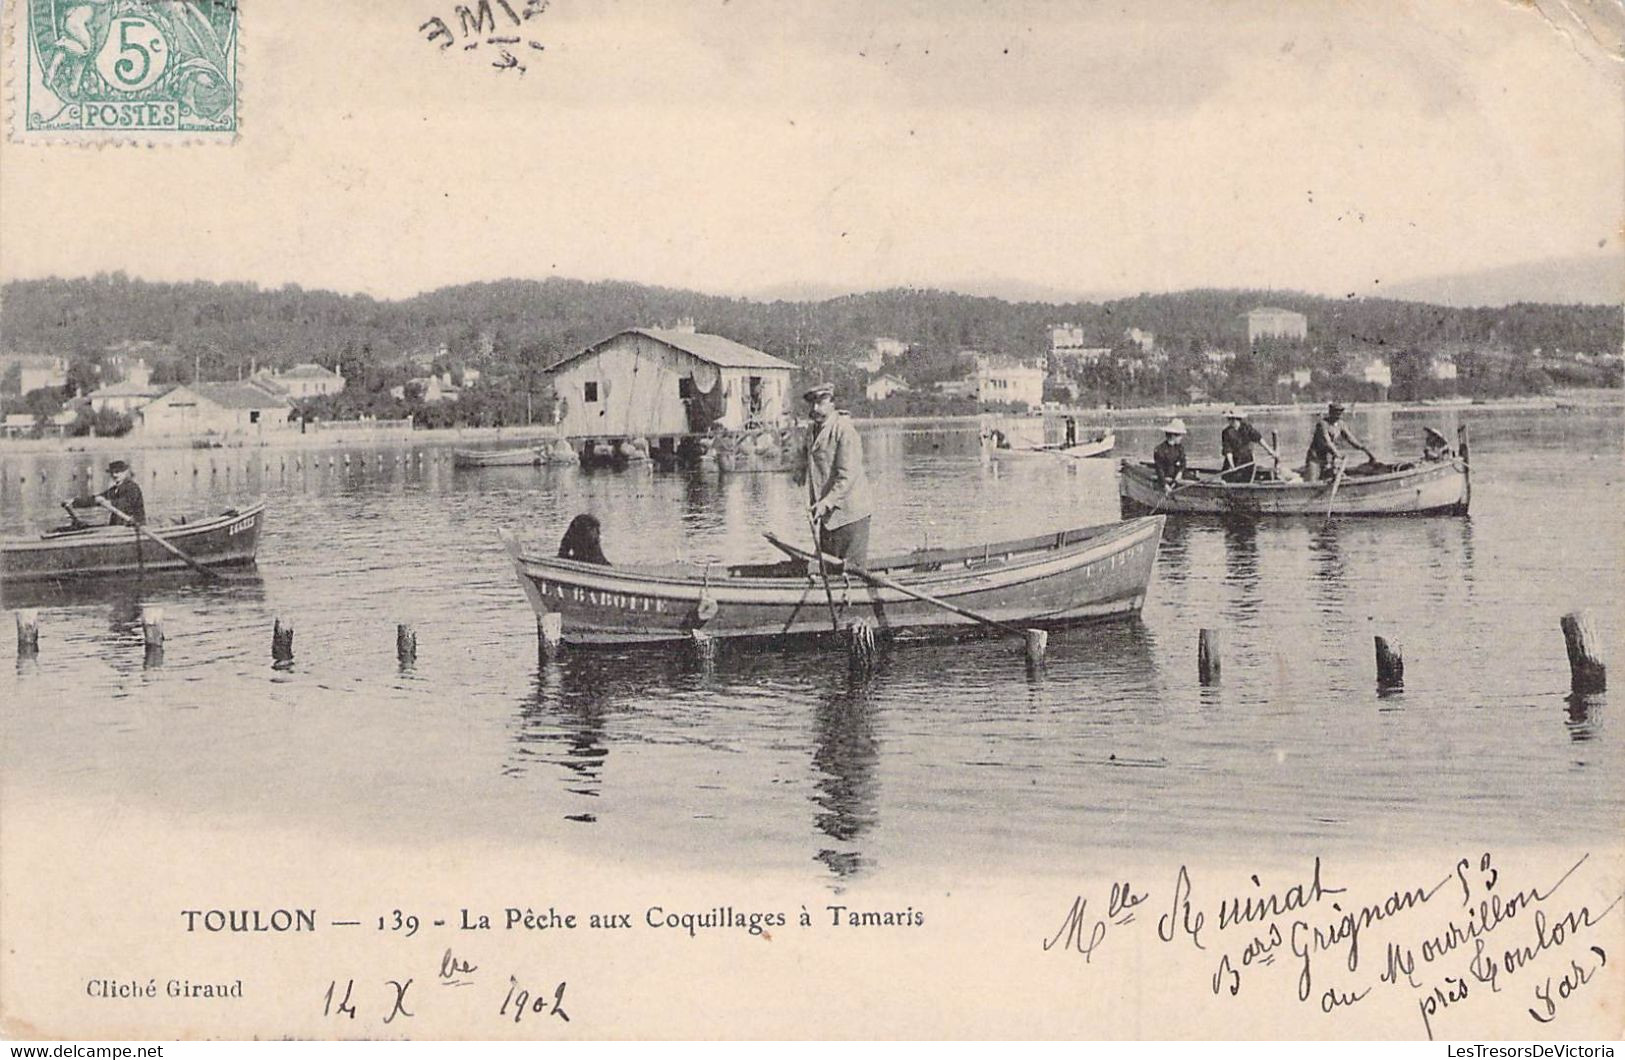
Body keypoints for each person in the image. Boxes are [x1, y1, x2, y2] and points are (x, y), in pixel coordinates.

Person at [796, 382, 872, 569]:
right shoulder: (812, 430)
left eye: (821, 403)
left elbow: (847, 476)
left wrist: (826, 502)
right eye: (812, 404)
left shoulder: (844, 430)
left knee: (851, 571)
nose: (816, 409)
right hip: (826, 517)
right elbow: (806, 458)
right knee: (827, 569)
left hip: (850, 515)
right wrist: (799, 472)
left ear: (832, 404)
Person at [1305, 402, 1373, 481]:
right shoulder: (1323, 424)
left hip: (1329, 459)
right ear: (1330, 413)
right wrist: (1338, 454)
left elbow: (1352, 440)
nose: (1338, 415)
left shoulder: (1341, 424)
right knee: (1312, 481)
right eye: (1336, 413)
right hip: (1315, 459)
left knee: (1334, 477)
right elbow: (1328, 442)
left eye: (1340, 412)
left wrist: (1365, 450)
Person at [68, 460, 145, 526]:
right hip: (117, 525)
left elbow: (126, 503)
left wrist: (108, 502)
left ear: (125, 472)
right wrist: (75, 502)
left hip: (133, 525)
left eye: (117, 472)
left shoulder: (133, 487)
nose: (114, 475)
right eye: (112, 472)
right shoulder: (114, 489)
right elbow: (96, 499)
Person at [1220, 408, 1279, 482]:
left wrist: (1271, 451)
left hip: (1247, 460)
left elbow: (1259, 439)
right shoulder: (1226, 432)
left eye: (1232, 419)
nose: (1230, 421)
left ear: (1238, 419)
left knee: (1247, 478)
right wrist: (1232, 466)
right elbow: (1228, 451)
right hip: (1234, 461)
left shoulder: (1247, 428)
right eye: (1229, 419)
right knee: (1230, 479)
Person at [1152, 418, 1188, 492]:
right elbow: (1159, 470)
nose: (1181, 438)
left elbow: (1183, 462)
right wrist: (1165, 486)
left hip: (1177, 478)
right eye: (1180, 435)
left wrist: (1180, 473)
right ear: (1172, 436)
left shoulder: (1180, 447)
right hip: (1167, 479)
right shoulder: (1160, 450)